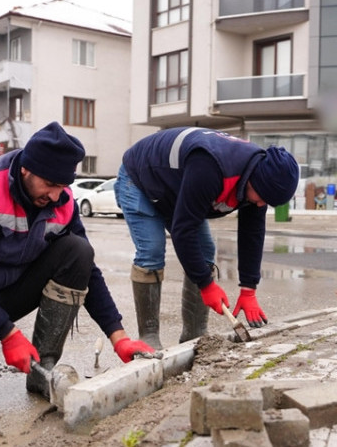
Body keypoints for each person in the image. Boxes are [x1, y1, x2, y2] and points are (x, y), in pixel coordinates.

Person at [0, 121, 154, 403]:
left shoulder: (62, 201)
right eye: (50, 184)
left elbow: (87, 270)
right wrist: (9, 335)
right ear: (26, 169)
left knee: (78, 251)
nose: (57, 195)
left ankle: (44, 368)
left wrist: (119, 337)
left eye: (63, 185)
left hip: (11, 288)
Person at [115, 127, 300, 349]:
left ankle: (194, 335)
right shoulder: (212, 167)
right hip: (140, 179)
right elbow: (184, 231)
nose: (262, 205)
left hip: (176, 187)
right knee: (152, 251)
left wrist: (249, 288)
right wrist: (206, 284)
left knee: (204, 252)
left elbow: (252, 233)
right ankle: (149, 335)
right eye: (263, 198)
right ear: (255, 181)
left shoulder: (259, 181)